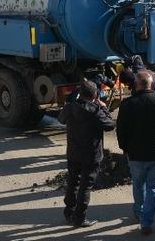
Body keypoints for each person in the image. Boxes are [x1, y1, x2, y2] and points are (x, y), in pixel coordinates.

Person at [116, 70, 155, 235]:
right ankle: (146, 221)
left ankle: (138, 212)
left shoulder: (127, 104)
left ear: (136, 85)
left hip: (135, 154)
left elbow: (121, 130)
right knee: (154, 187)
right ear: (151, 84)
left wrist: (124, 148)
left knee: (138, 184)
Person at [58, 78, 115, 228]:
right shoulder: (96, 112)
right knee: (85, 186)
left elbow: (61, 119)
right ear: (95, 95)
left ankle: (69, 212)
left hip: (73, 152)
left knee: (73, 182)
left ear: (80, 93)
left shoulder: (70, 107)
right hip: (91, 155)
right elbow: (110, 125)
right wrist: (103, 108)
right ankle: (80, 218)